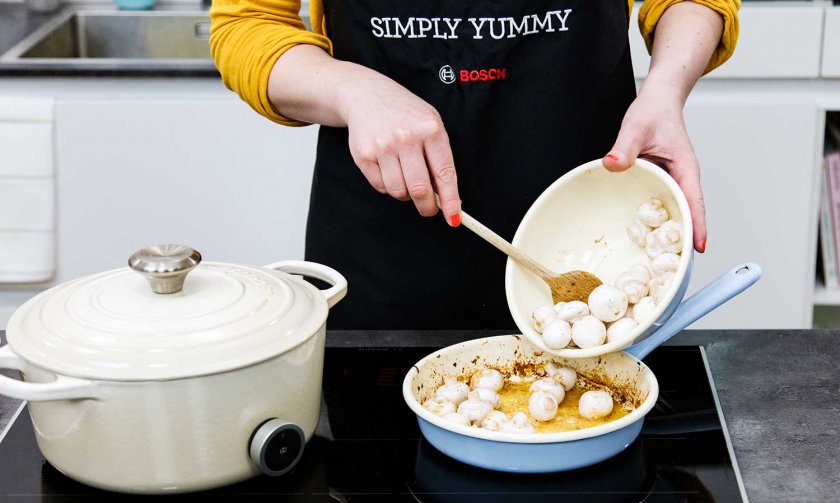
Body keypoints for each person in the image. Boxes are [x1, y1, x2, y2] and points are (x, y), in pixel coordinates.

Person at [209, 0, 739, 329]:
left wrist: (666, 87)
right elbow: (249, 25)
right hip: (385, 251)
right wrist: (352, 90)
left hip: (590, 232)